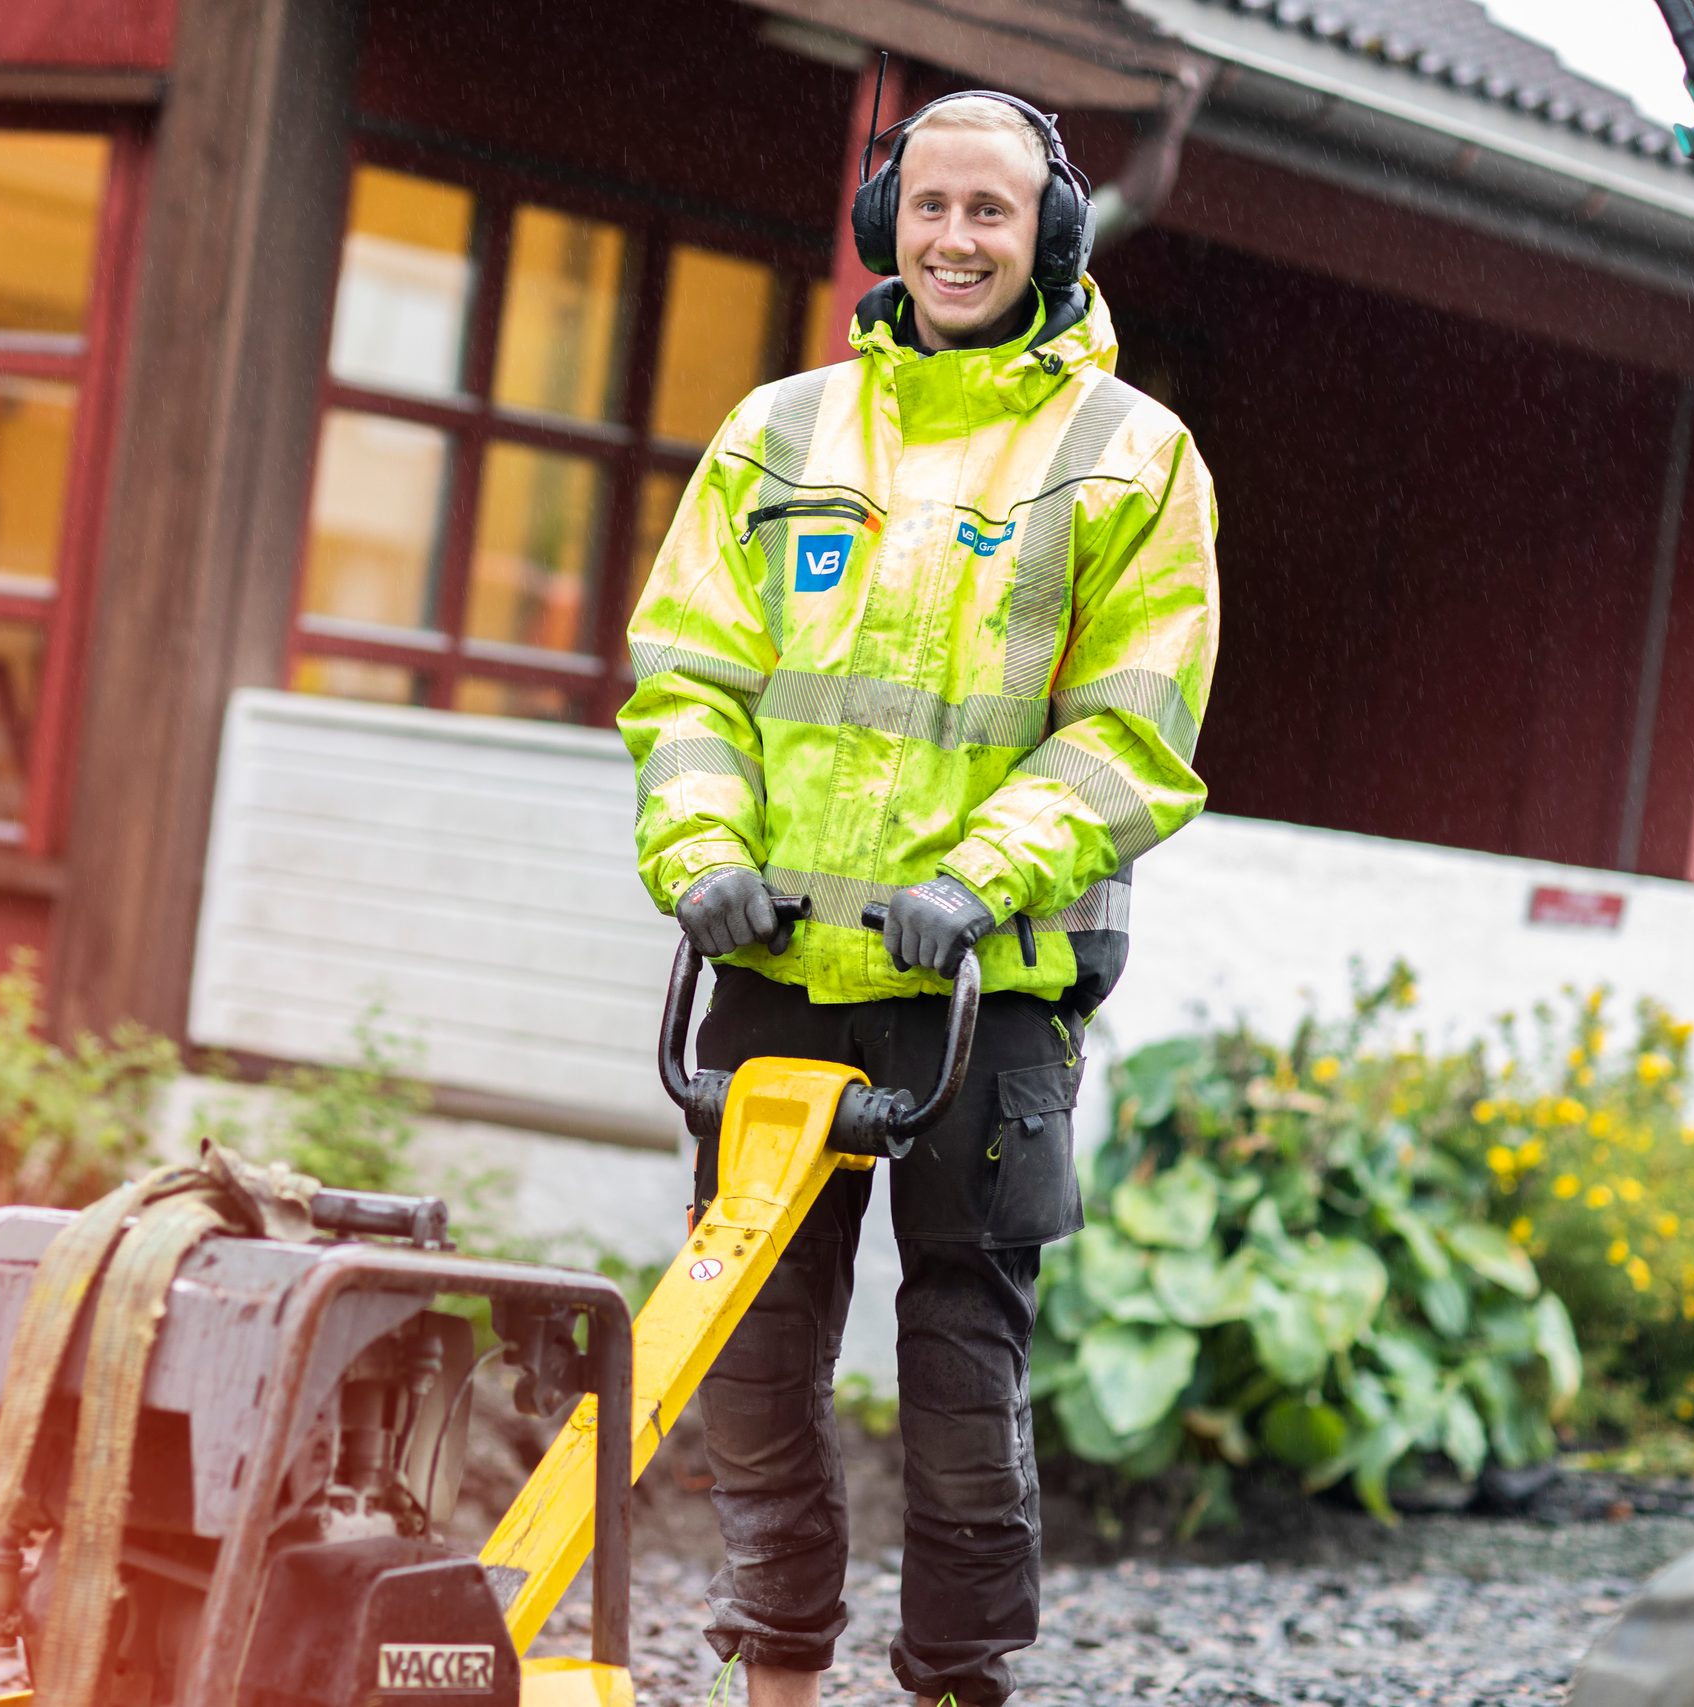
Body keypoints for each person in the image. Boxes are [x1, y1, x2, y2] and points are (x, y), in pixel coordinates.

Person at [619, 89, 1220, 1707]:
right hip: (768, 965)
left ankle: (956, 1684)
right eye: (933, 207)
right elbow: (687, 685)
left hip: (987, 991)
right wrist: (702, 859)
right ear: (889, 220)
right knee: (746, 1361)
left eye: (992, 214)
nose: (958, 239)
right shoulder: (782, 432)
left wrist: (977, 881)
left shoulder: (1133, 459)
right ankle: (780, 1674)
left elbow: (1132, 735)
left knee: (960, 1381)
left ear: (1053, 237)